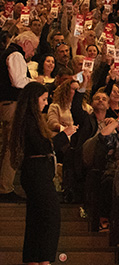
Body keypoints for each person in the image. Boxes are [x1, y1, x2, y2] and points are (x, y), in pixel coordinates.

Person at [7, 82, 58, 264]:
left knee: (36, 219)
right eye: (43, 99)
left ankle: (34, 259)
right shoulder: (29, 120)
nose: (46, 103)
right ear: (33, 100)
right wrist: (64, 136)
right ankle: (44, 259)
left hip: (36, 172)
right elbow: (41, 144)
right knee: (49, 218)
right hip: (37, 172)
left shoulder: (28, 119)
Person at [0, 30, 38, 201]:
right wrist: (36, 82)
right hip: (12, 106)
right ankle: (5, 188)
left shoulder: (11, 53)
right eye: (33, 48)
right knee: (12, 147)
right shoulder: (16, 54)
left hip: (8, 105)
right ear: (26, 43)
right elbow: (18, 81)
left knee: (7, 146)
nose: (33, 53)